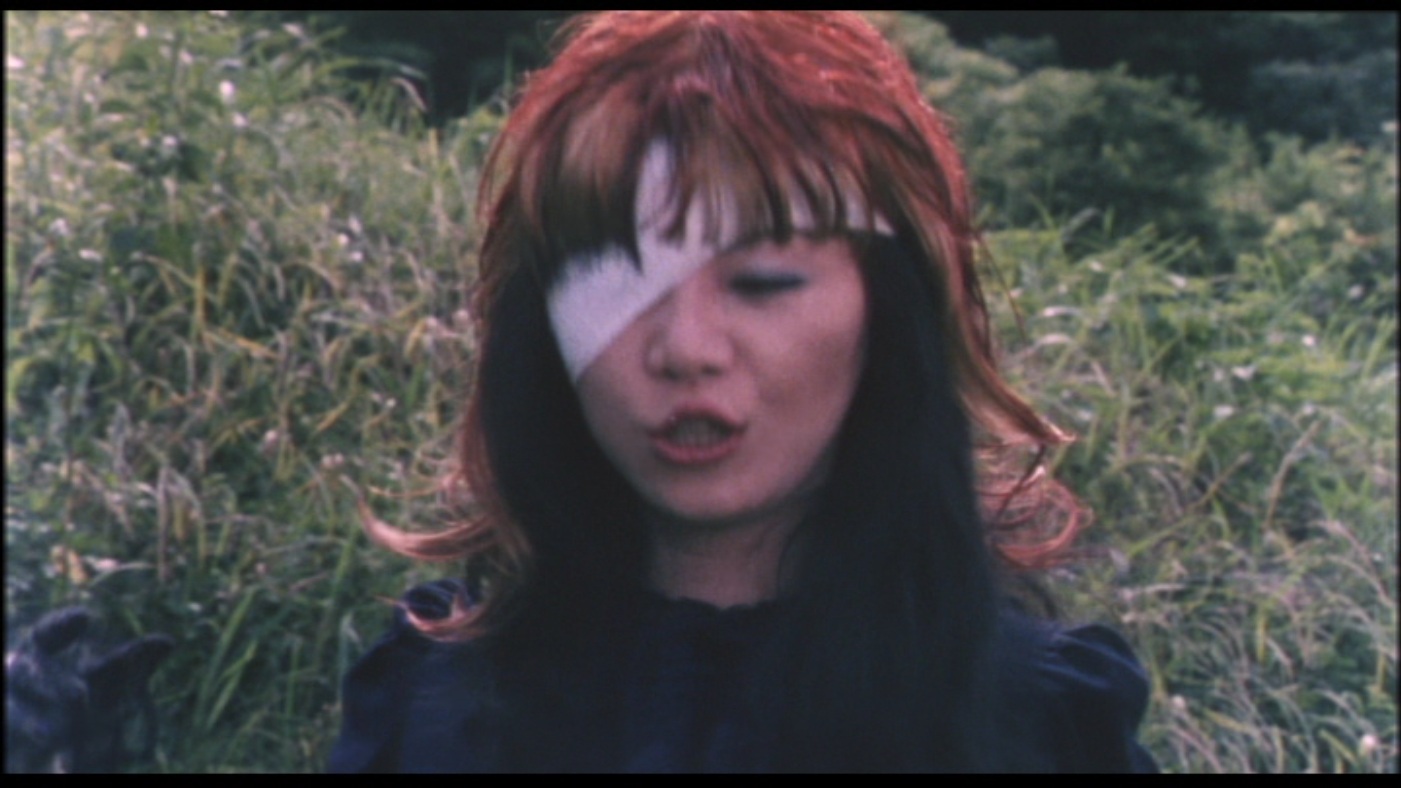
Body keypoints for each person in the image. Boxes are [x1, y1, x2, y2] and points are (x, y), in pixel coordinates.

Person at [329, 11, 1157, 772]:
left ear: (889, 308)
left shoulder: (1036, 723)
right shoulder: (436, 704)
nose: (686, 349)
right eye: (617, 286)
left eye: (762, 281)